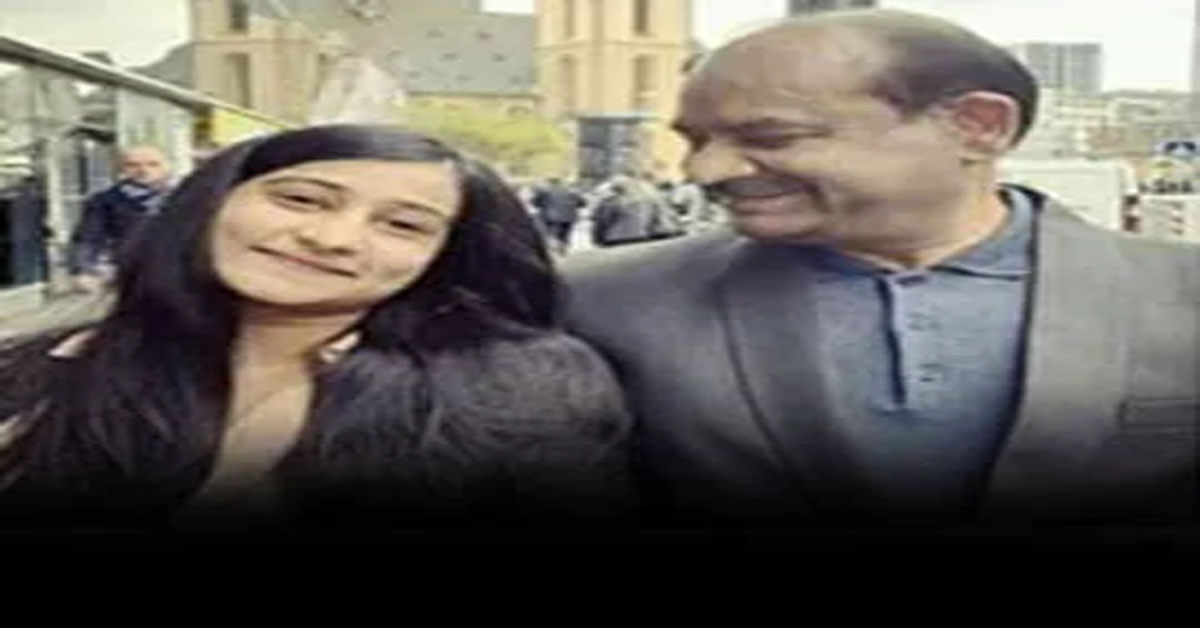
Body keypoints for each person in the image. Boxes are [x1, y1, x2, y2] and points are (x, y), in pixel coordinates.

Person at [562, 9, 1200, 527]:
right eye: (698, 140)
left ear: (978, 127)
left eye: (772, 137)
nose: (706, 171)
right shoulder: (596, 300)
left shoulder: (1183, 292)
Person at [0, 124, 630, 532]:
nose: (332, 239)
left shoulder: (514, 390)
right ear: (213, 201)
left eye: (402, 226)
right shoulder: (47, 371)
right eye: (300, 199)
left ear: (446, 257)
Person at [68, 145, 174, 292]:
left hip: (182, 273)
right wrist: (83, 269)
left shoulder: (185, 196)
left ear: (168, 166)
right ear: (121, 169)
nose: (143, 170)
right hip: (131, 276)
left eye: (153, 164)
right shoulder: (105, 200)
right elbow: (88, 238)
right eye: (133, 165)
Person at [590, 178, 683, 247]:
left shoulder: (611, 202)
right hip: (640, 238)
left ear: (615, 189)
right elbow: (651, 220)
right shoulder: (646, 201)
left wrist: (597, 239)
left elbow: (602, 223)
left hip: (614, 239)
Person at [530, 177, 586, 253]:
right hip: (569, 217)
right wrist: (572, 205)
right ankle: (563, 248)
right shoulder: (571, 192)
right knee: (565, 234)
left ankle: (555, 248)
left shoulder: (545, 192)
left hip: (551, 217)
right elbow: (583, 203)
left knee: (553, 234)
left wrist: (543, 205)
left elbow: (535, 203)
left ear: (549, 183)